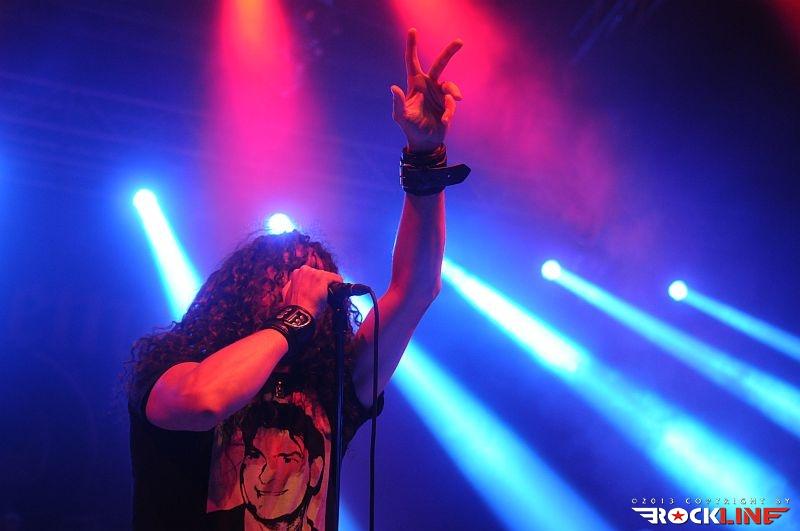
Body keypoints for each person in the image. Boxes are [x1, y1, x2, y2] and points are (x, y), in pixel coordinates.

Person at [128, 28, 464, 530]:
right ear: (244, 291)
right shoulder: (171, 365)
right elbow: (204, 401)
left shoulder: (334, 385)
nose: (309, 283)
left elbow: (416, 288)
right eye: (287, 273)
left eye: (315, 272)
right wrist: (295, 318)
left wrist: (424, 156)